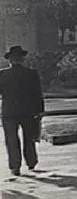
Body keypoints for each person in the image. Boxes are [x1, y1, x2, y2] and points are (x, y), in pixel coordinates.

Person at [0, 45, 44, 176]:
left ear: (10, 60)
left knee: (11, 140)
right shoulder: (31, 73)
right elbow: (37, 93)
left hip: (9, 112)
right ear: (22, 59)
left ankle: (15, 166)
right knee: (29, 138)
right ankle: (31, 162)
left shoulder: (2, 74)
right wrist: (40, 110)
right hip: (28, 111)